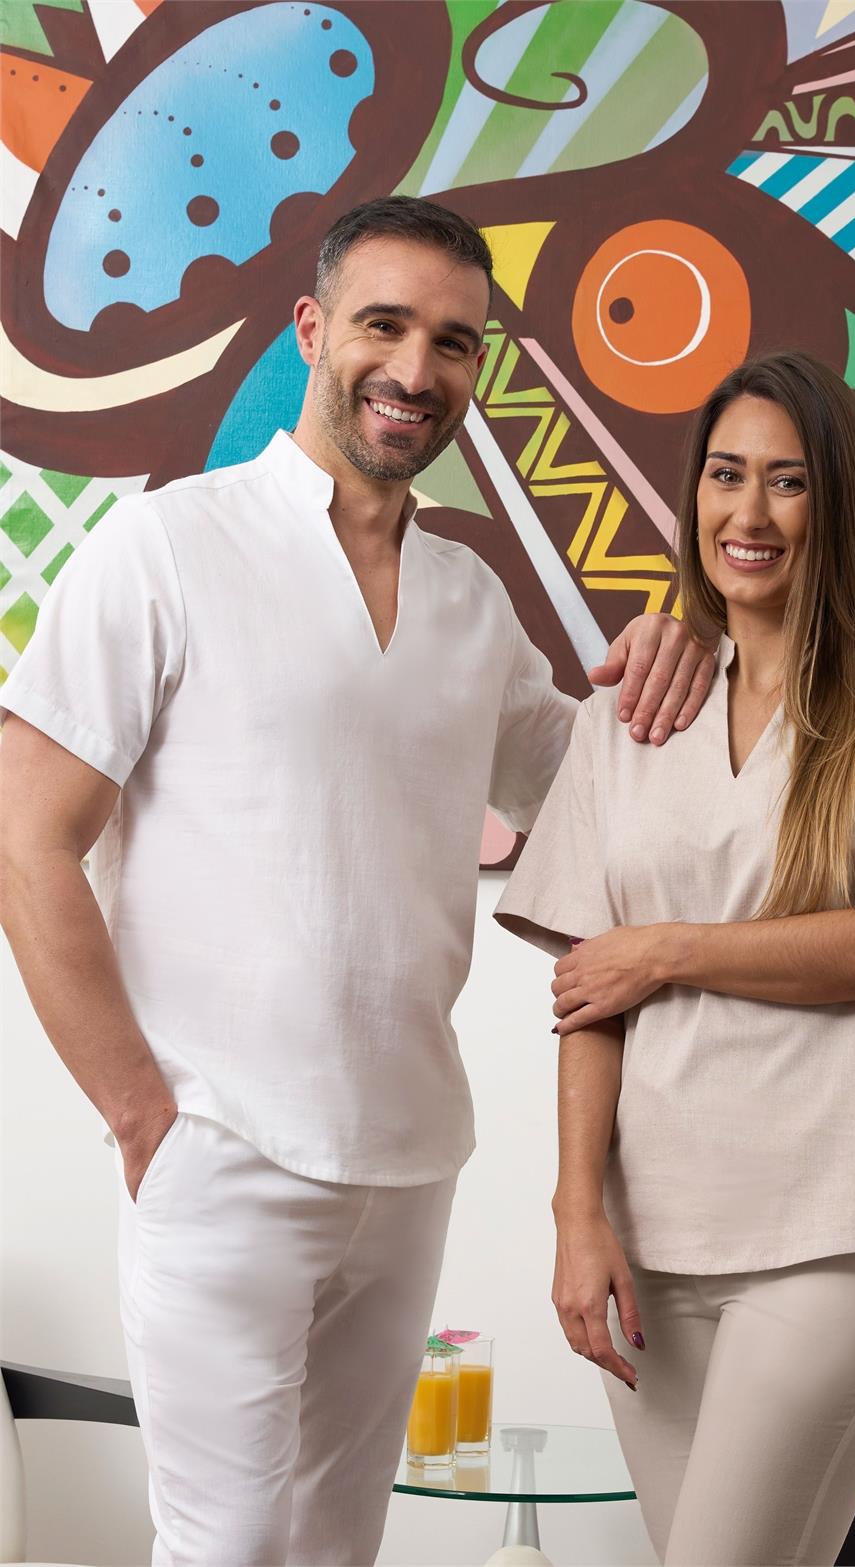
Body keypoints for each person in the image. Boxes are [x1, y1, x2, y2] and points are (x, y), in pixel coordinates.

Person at [0, 197, 716, 1566]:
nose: (415, 368)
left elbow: (597, 797)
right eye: (384, 324)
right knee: (222, 1546)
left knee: (337, 1547)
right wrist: (142, 1111)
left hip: (409, 1154)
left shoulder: (469, 597)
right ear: (311, 330)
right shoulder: (171, 546)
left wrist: (677, 655)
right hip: (218, 1143)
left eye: (454, 342)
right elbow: (23, 834)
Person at [494, 350, 855, 1565]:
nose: (750, 512)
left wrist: (667, 949)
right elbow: (588, 992)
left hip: (831, 1229)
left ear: (836, 502)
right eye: (725, 475)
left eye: (787, 480)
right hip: (648, 1249)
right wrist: (575, 1214)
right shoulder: (629, 715)